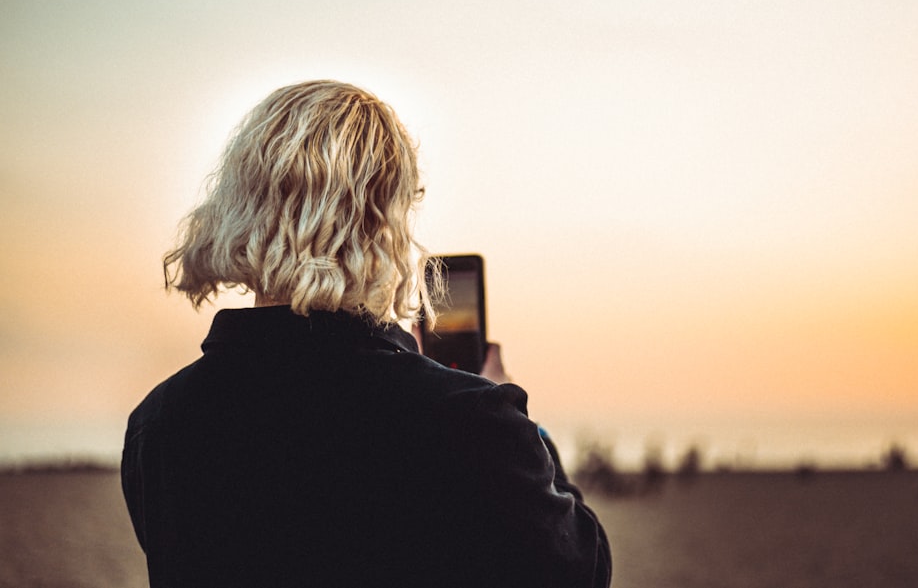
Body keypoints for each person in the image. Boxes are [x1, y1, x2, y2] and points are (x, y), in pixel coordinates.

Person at [121, 80, 612, 588]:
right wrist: (524, 426)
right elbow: (581, 572)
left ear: (238, 207)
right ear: (386, 220)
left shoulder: (159, 423)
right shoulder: (470, 420)